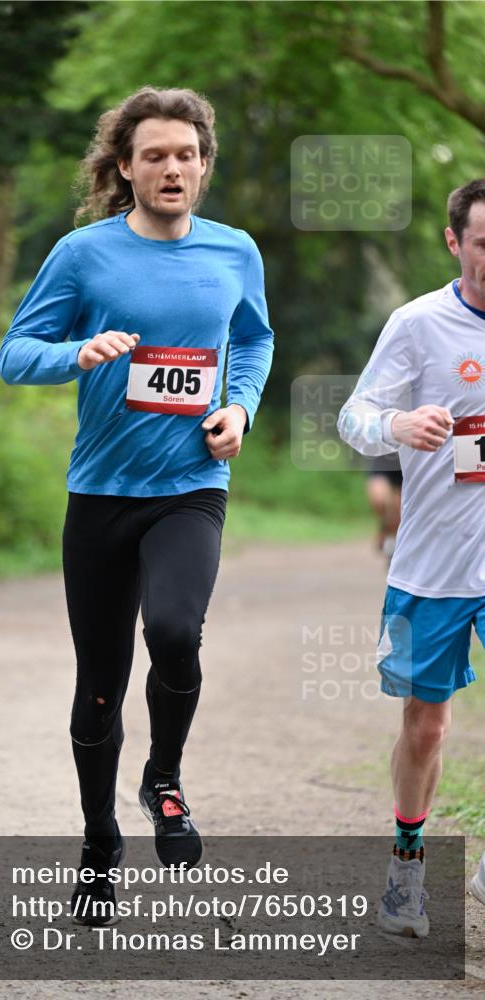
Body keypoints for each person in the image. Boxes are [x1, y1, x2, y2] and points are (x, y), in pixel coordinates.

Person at [0, 86, 274, 926]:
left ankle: (163, 779)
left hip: (191, 487)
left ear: (203, 165)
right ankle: (96, 840)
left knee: (175, 631)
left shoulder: (234, 253)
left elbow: (253, 338)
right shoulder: (83, 254)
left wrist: (239, 407)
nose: (172, 168)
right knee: (98, 686)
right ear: (125, 166)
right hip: (100, 495)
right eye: (153, 154)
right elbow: (15, 354)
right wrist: (78, 352)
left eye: (186, 155)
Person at [338, 178, 485, 938]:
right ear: (454, 242)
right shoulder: (417, 324)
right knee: (425, 725)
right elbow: (353, 417)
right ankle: (405, 863)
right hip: (433, 564)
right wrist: (399, 420)